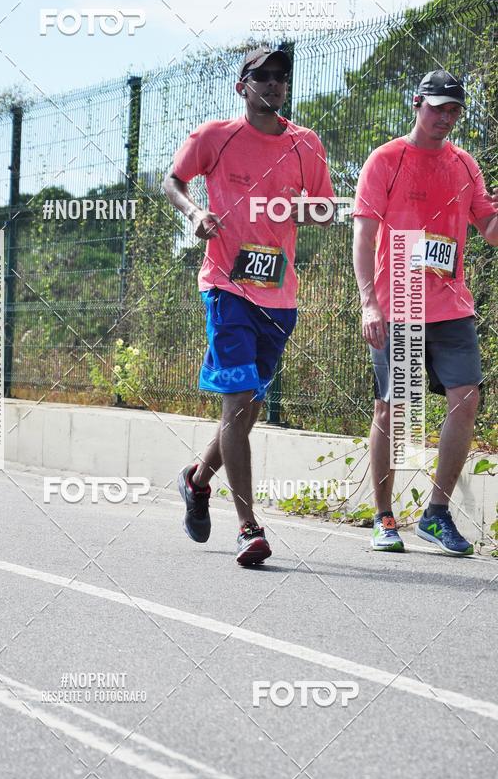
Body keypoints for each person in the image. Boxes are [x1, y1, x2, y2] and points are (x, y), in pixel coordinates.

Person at [162, 46, 334, 565]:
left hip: (279, 296)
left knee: (249, 407)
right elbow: (172, 180)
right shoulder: (214, 136)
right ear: (243, 86)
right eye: (264, 76)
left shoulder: (307, 144)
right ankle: (248, 527)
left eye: (282, 77)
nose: (276, 84)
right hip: (225, 288)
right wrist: (193, 213)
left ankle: (196, 480)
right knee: (237, 403)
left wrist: (297, 206)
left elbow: (325, 209)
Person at [353, 69, 498, 555]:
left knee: (465, 400)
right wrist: (369, 302)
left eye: (454, 109)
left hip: (452, 306)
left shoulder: (465, 164)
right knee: (393, 411)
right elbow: (364, 236)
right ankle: (384, 516)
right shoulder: (386, 160)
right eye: (437, 107)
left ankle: (436, 513)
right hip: (398, 305)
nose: (445, 117)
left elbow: (489, 228)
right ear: (417, 103)